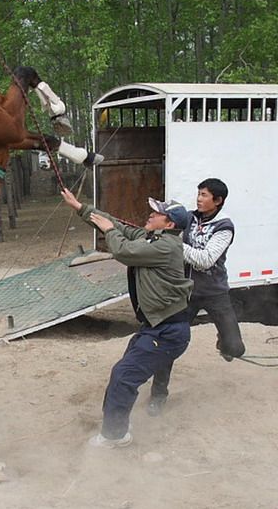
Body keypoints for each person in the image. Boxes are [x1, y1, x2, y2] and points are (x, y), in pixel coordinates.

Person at [61, 189, 193, 447]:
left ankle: (115, 436)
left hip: (167, 332)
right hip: (156, 329)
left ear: (169, 224)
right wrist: (80, 207)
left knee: (123, 376)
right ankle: (118, 425)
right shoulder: (153, 238)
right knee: (123, 375)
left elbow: (122, 250)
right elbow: (117, 225)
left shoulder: (166, 246)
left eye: (157, 213)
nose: (151, 215)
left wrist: (110, 230)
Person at [148, 178, 246, 416]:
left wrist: (172, 242)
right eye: (198, 194)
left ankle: (224, 343)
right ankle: (158, 396)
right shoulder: (188, 218)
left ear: (218, 200)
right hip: (186, 293)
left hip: (215, 293)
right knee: (169, 344)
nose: (199, 199)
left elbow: (205, 260)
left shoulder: (224, 227)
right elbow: (163, 227)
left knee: (235, 348)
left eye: (204, 195)